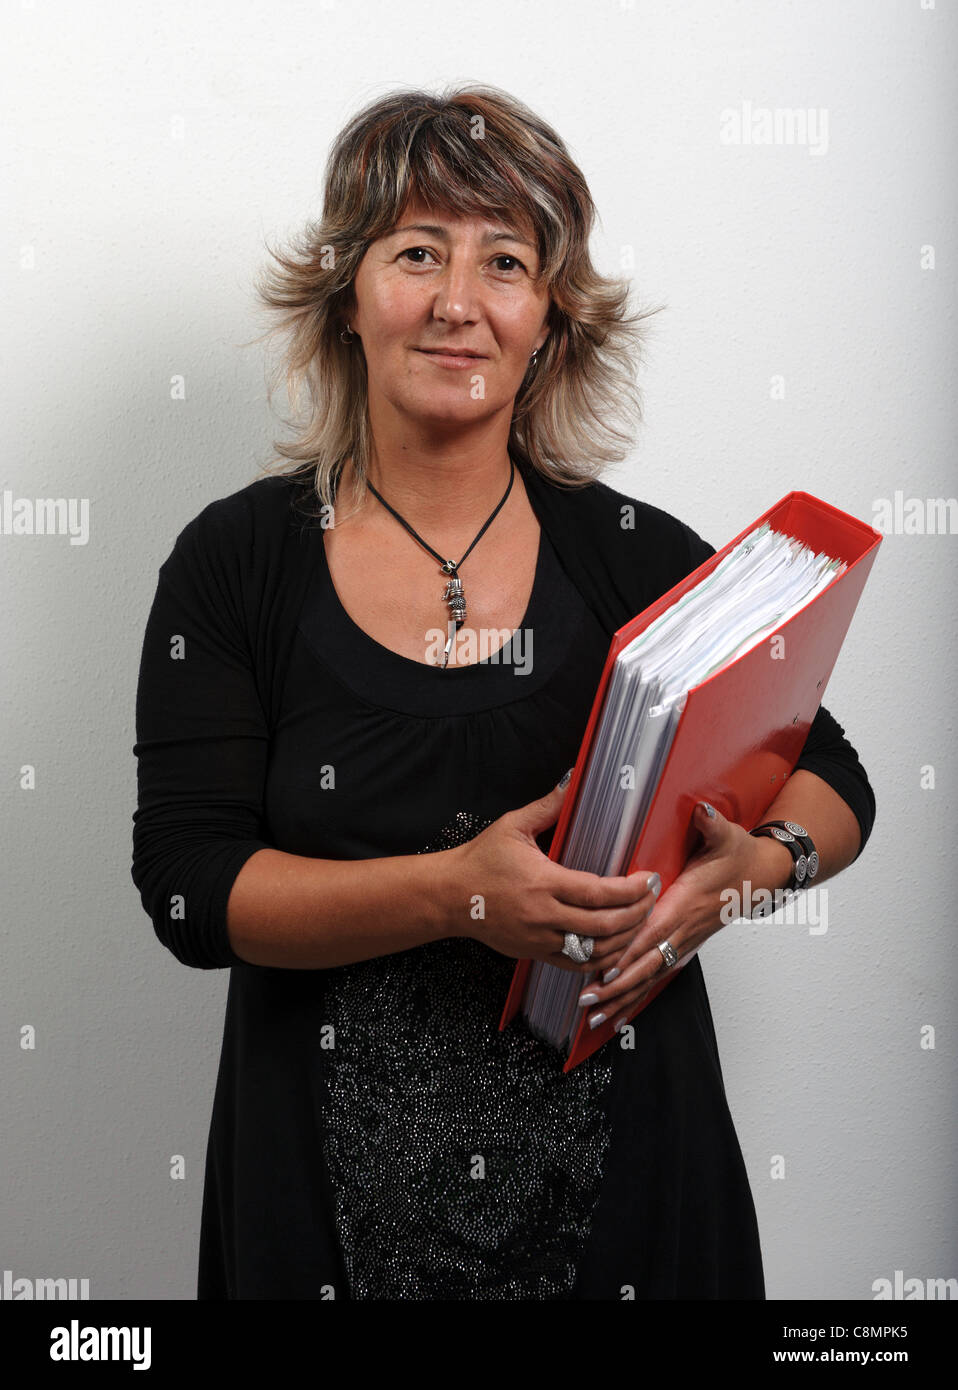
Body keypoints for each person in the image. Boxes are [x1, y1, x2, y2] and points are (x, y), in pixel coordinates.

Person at [130, 84, 875, 1301]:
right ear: (347, 298)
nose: (457, 303)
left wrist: (743, 875)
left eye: (505, 262)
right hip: (328, 1216)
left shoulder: (633, 551)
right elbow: (188, 890)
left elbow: (830, 773)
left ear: (549, 322)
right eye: (416, 252)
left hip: (631, 1203)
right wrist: (454, 897)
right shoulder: (235, 561)